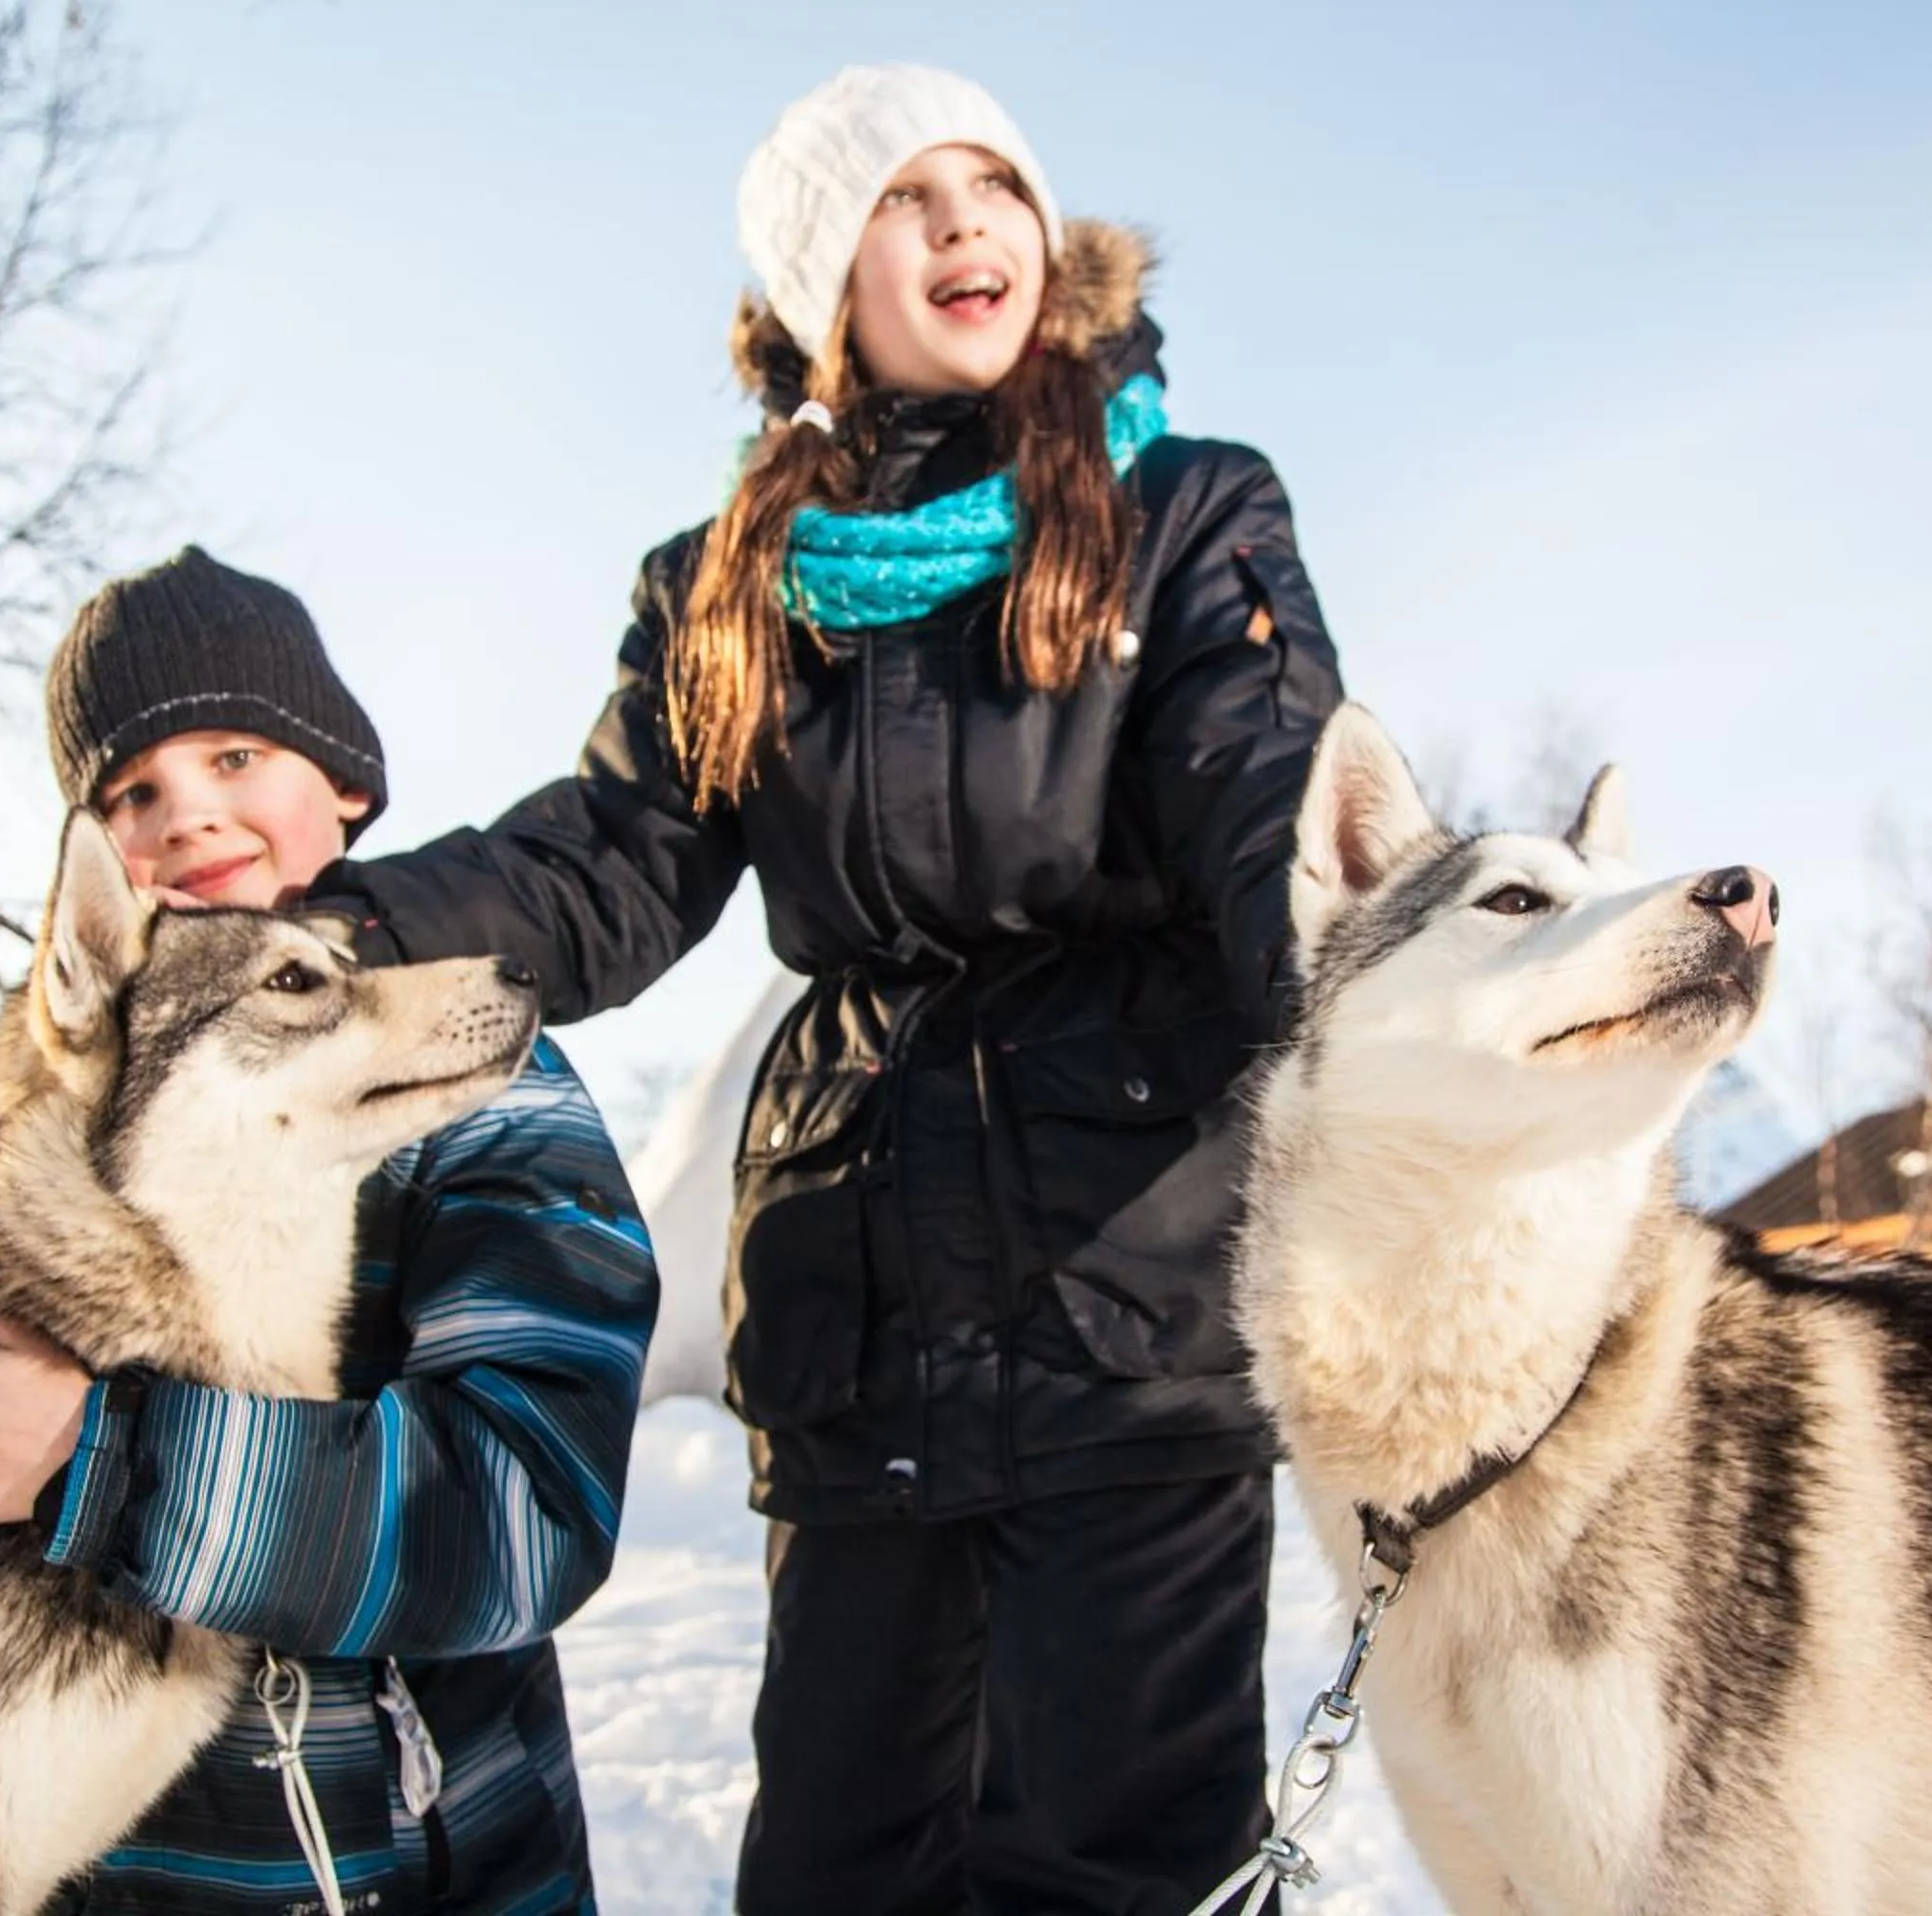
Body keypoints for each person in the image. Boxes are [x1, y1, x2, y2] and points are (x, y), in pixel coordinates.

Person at [307, 65, 1345, 1916]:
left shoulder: (1185, 512)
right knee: (838, 1867)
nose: (964, 224)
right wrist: (332, 943)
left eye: (994, 185)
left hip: (1132, 1287)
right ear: (815, 284)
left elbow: (1272, 823)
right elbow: (604, 867)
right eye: (901, 198)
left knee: (1112, 1865)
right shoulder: (729, 585)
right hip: (852, 1309)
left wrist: (1402, 1012)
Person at [0, 547, 660, 1916]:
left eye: (238, 755)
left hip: (419, 1873)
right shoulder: (60, 1117)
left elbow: (529, 1511)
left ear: (346, 788)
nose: (188, 813)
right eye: (133, 792)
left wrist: (93, 1456)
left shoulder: (475, 1093)